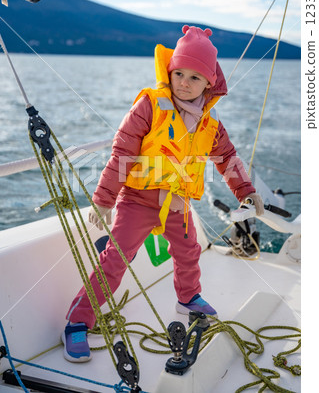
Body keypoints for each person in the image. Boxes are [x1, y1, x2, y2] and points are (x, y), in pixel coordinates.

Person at [62, 25, 264, 362]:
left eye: (195, 77)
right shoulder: (149, 105)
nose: (184, 82)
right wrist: (103, 200)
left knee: (190, 252)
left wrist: (246, 189)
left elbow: (227, 158)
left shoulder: (210, 125)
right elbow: (121, 153)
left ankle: (188, 298)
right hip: (138, 200)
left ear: (209, 84)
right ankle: (78, 321)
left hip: (178, 205)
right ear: (169, 71)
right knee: (115, 260)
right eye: (179, 73)